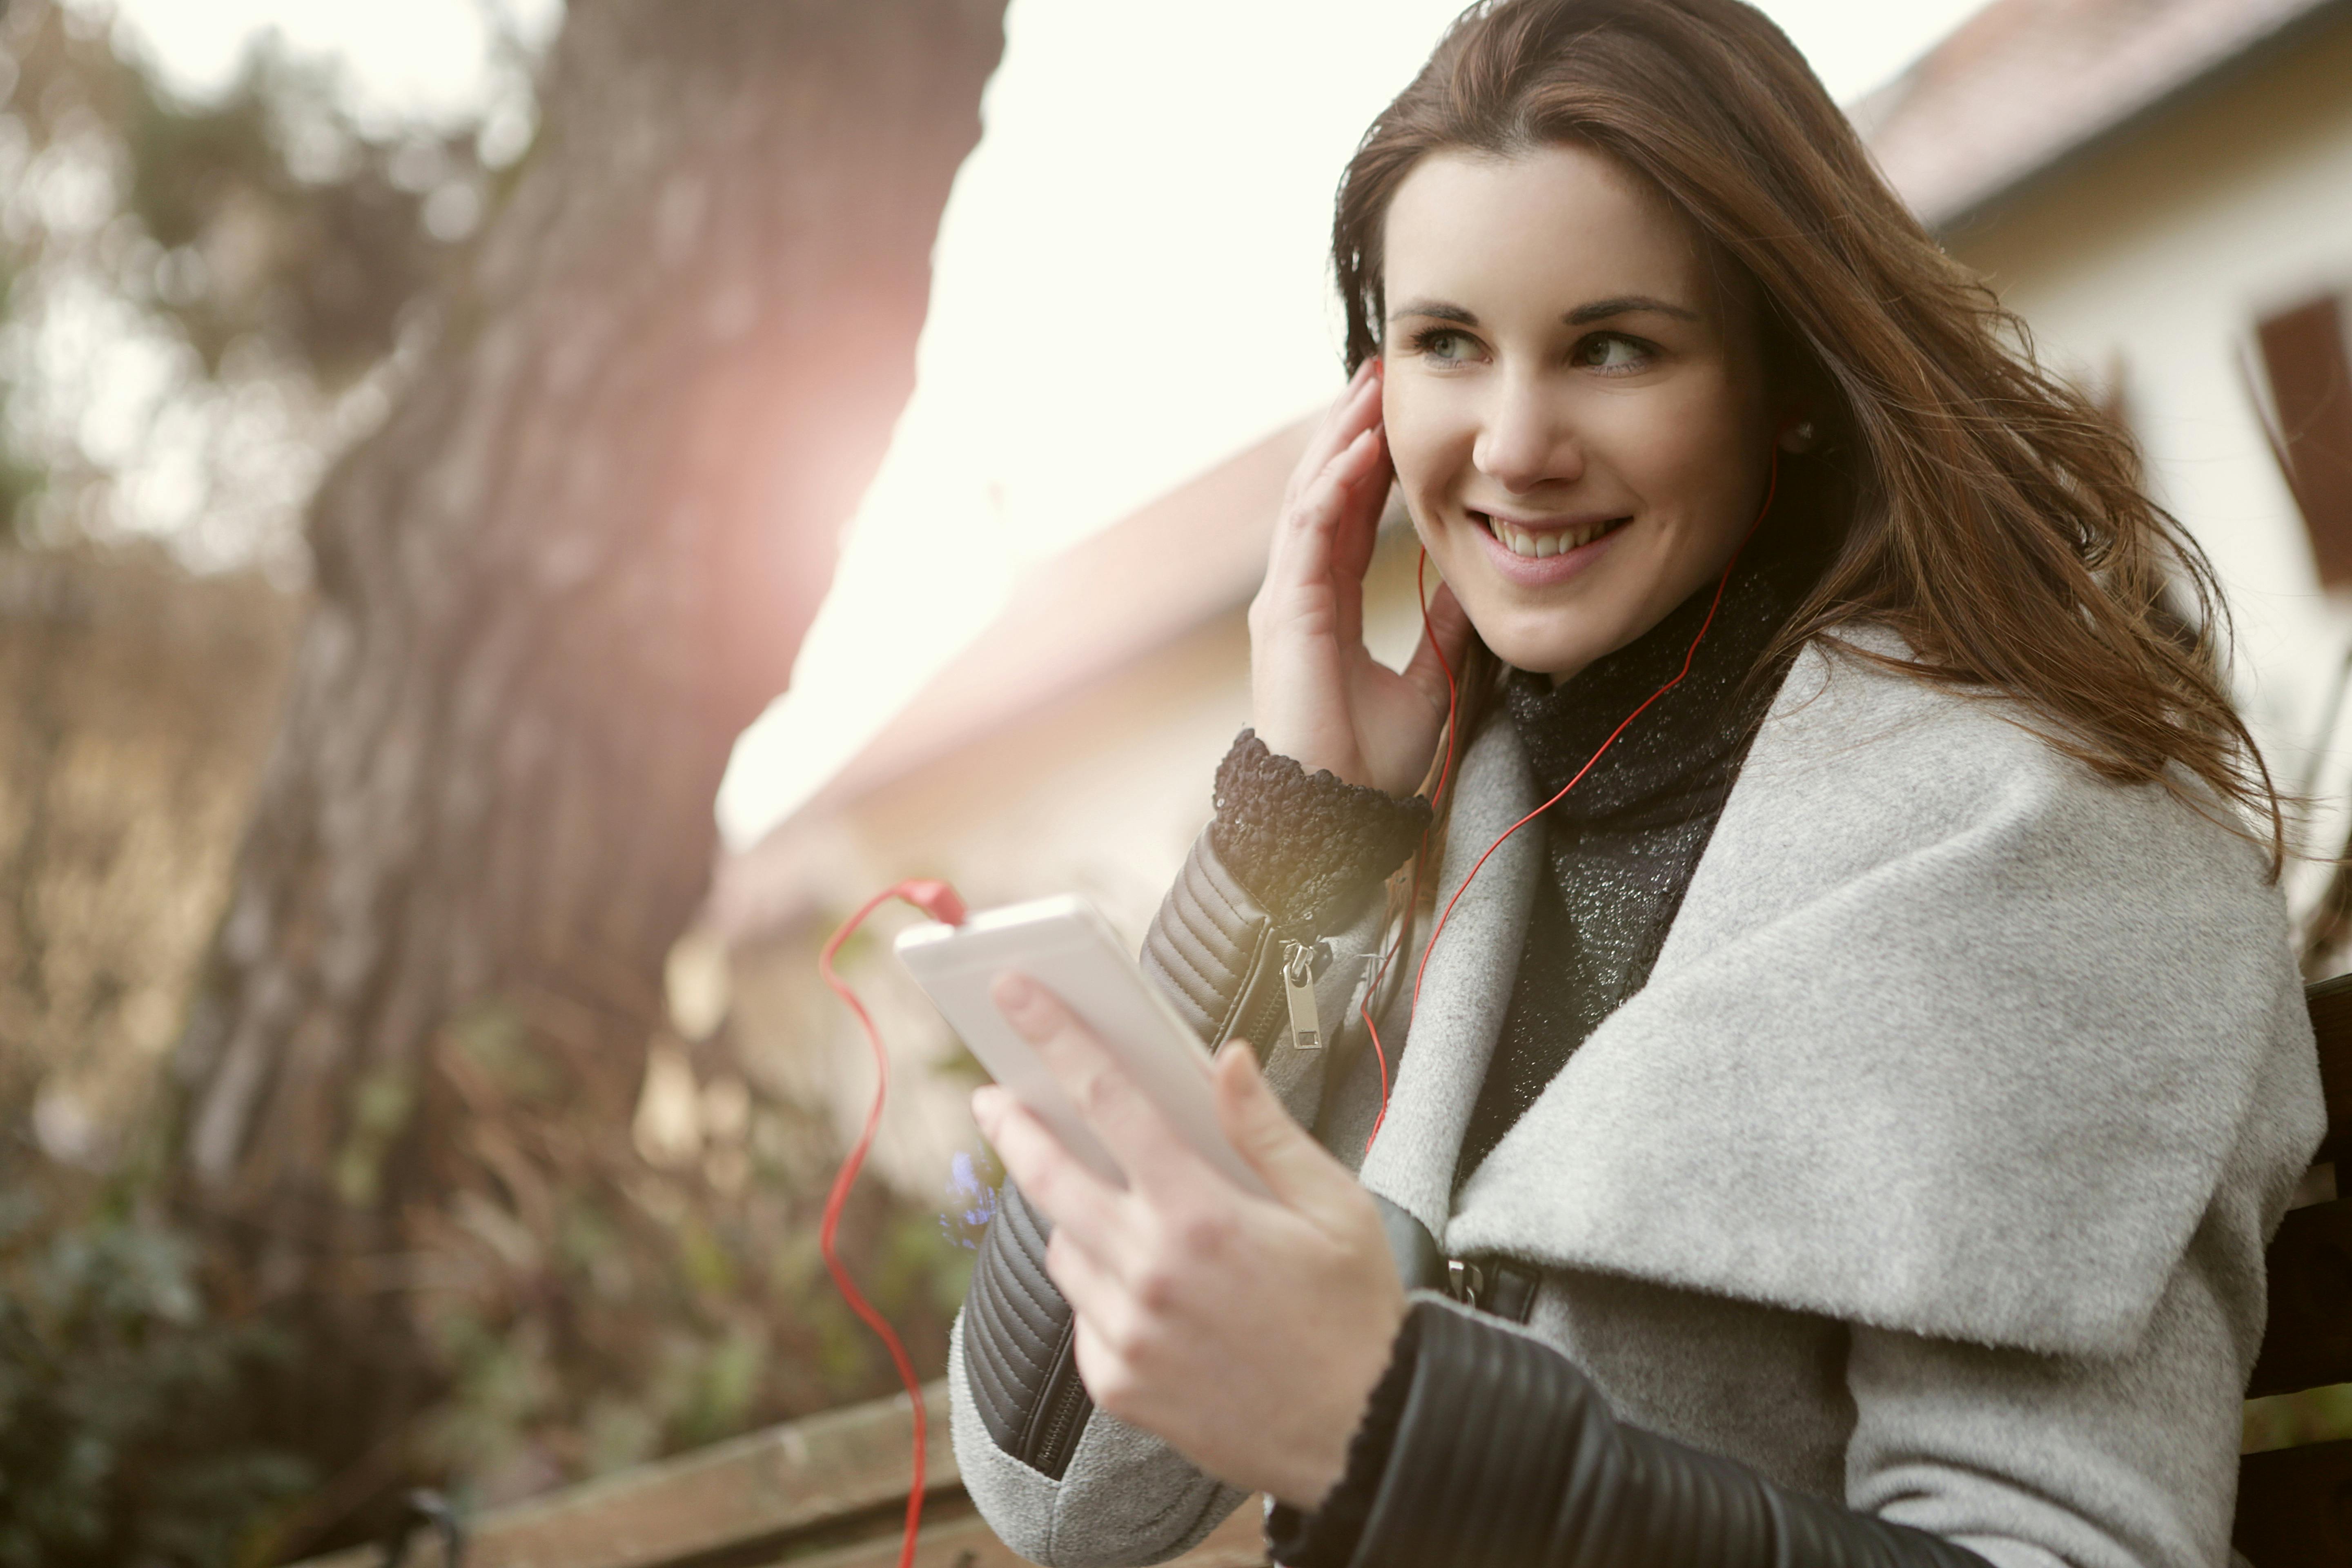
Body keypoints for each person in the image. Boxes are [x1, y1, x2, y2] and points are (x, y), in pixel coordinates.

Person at [945, 0, 2326, 1563]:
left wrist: (1393, 1432)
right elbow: (1059, 1493)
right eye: (1447, 343)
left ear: (1788, 373)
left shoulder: (2053, 843)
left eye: (1614, 346)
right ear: (1369, 392)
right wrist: (1296, 833)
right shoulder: (1482, 806)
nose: (1515, 444)